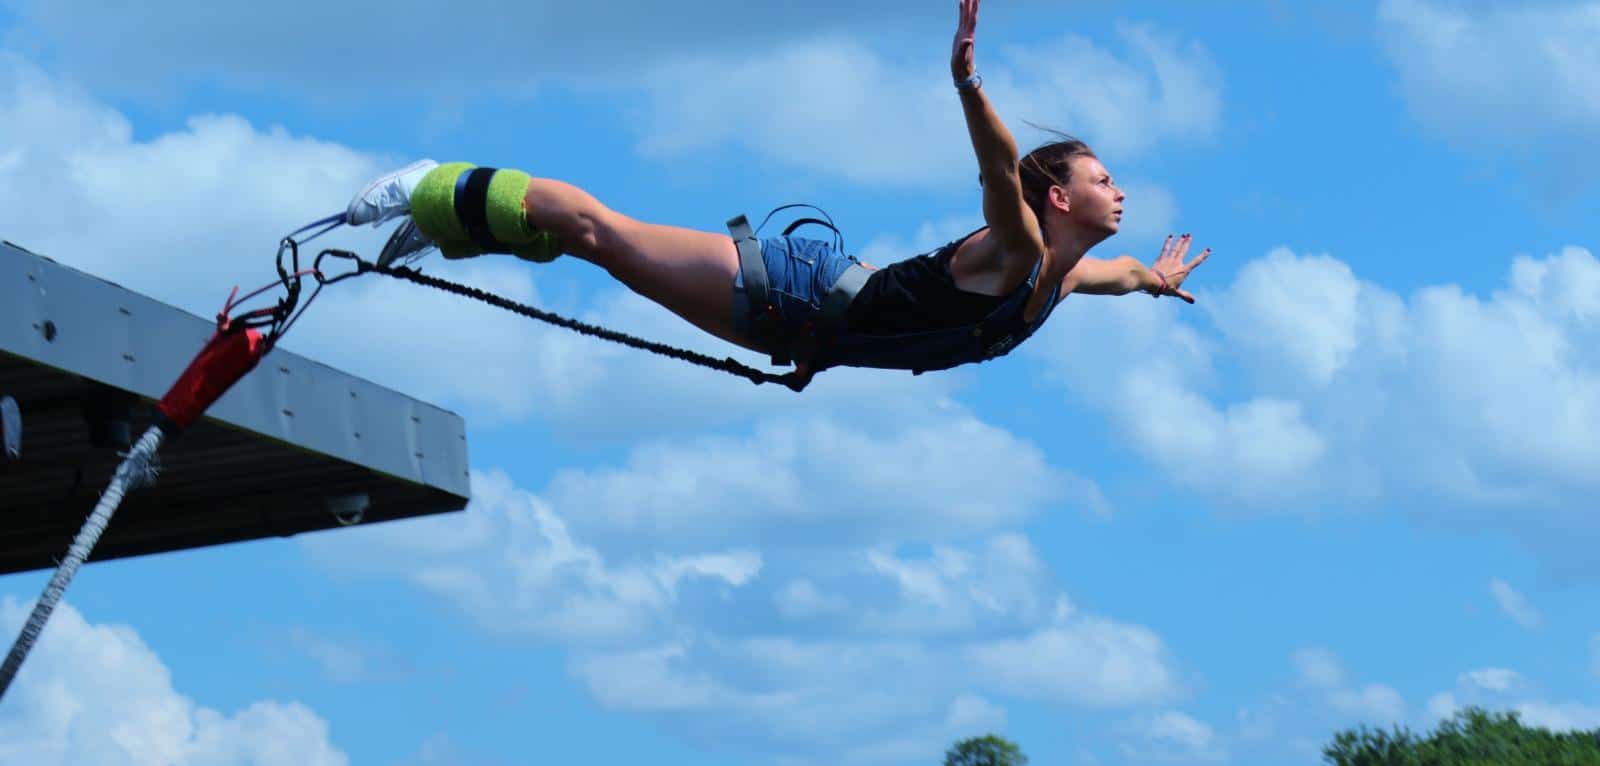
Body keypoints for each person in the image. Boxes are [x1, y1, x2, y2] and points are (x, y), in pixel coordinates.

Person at [343, 0, 1209, 386]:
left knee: (597, 251)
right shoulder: (1019, 248)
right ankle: (432, 187)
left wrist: (1159, 280)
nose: (1119, 191)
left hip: (801, 332)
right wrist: (968, 83)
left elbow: (1127, 273)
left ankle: (448, 224)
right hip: (798, 288)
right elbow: (997, 168)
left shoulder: (1063, 279)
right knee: (602, 234)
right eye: (1102, 180)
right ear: (1056, 199)